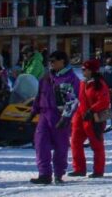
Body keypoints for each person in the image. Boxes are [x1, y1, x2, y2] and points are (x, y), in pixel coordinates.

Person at [29, 51, 80, 185]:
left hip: (60, 116)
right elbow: (39, 94)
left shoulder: (70, 78)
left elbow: (72, 100)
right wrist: (34, 110)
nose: (51, 63)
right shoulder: (46, 77)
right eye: (50, 61)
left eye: (54, 61)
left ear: (63, 61)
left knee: (60, 147)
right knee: (41, 145)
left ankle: (58, 174)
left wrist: (66, 117)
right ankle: (44, 174)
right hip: (45, 115)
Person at [70, 59, 110, 179]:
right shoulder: (83, 83)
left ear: (91, 70)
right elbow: (80, 100)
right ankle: (79, 169)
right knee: (75, 142)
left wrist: (91, 110)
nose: (82, 71)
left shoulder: (100, 84)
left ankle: (98, 171)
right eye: (82, 69)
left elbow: (104, 101)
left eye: (84, 69)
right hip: (81, 116)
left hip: (95, 118)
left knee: (96, 145)